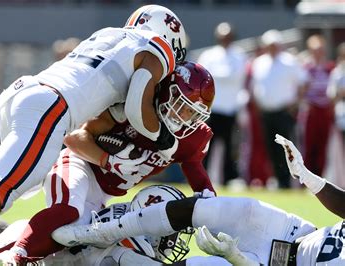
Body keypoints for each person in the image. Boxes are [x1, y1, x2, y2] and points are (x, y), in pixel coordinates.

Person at [0, 5, 189, 265]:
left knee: (15, 183)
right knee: (4, 188)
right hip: (51, 106)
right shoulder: (156, 49)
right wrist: (166, 140)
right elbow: (138, 104)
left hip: (27, 92)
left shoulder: (109, 35)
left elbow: (108, 95)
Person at [0, 61, 216, 264]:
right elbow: (73, 137)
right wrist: (107, 160)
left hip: (104, 192)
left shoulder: (193, 136)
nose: (187, 117)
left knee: (74, 243)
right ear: (169, 92)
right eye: (183, 106)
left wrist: (212, 204)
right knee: (69, 213)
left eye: (194, 113)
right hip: (80, 163)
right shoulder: (132, 107)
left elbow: (195, 169)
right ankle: (14, 257)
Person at [53, 134, 345, 265]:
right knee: (222, 209)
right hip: (293, 233)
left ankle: (113, 259)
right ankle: (100, 232)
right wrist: (306, 176)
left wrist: (238, 259)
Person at [0, 185, 194, 265]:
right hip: (30, 259)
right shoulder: (131, 250)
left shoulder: (125, 217)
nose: (174, 239)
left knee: (11, 228)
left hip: (39, 239)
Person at [250, 29, 308, 188]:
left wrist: (296, 103)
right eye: (269, 45)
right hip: (266, 112)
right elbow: (255, 86)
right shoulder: (260, 62)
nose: (272, 48)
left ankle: (291, 181)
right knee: (270, 148)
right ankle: (278, 179)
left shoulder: (289, 61)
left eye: (274, 44)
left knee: (287, 149)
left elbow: (304, 82)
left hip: (284, 111)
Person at [197, 21, 247, 185]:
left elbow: (237, 77)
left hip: (230, 109)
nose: (226, 39)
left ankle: (228, 179)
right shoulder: (209, 55)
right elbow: (202, 78)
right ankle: (201, 177)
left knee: (231, 148)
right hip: (211, 109)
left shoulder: (239, 55)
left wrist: (218, 77)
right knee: (205, 147)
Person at [300, 34, 335, 177]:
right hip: (311, 110)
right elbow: (300, 90)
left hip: (325, 110)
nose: (318, 53)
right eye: (315, 50)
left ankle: (320, 177)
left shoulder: (330, 68)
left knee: (323, 146)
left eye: (320, 50)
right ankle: (306, 178)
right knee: (308, 145)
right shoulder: (305, 68)